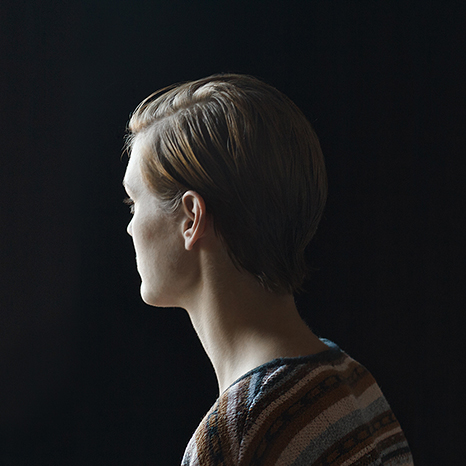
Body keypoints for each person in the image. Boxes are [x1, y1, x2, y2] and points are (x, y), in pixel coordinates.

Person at [122, 74, 413, 465]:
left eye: (133, 203)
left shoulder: (237, 434)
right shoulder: (352, 379)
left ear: (191, 217)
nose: (130, 227)